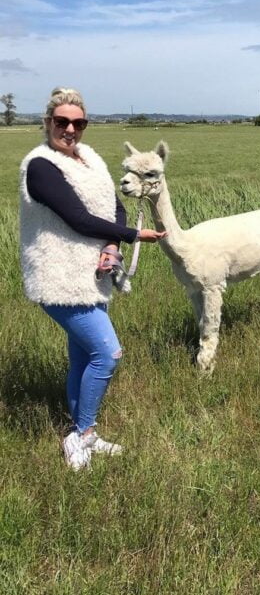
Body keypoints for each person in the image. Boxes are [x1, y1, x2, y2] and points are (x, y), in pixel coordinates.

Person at [19, 87, 166, 471]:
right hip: (59, 278)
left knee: (83, 358)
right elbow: (77, 219)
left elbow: (114, 207)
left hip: (92, 275)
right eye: (62, 121)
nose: (70, 129)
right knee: (107, 353)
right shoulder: (40, 166)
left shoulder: (90, 160)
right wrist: (137, 235)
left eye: (78, 123)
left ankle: (84, 430)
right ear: (47, 122)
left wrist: (115, 245)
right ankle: (80, 435)